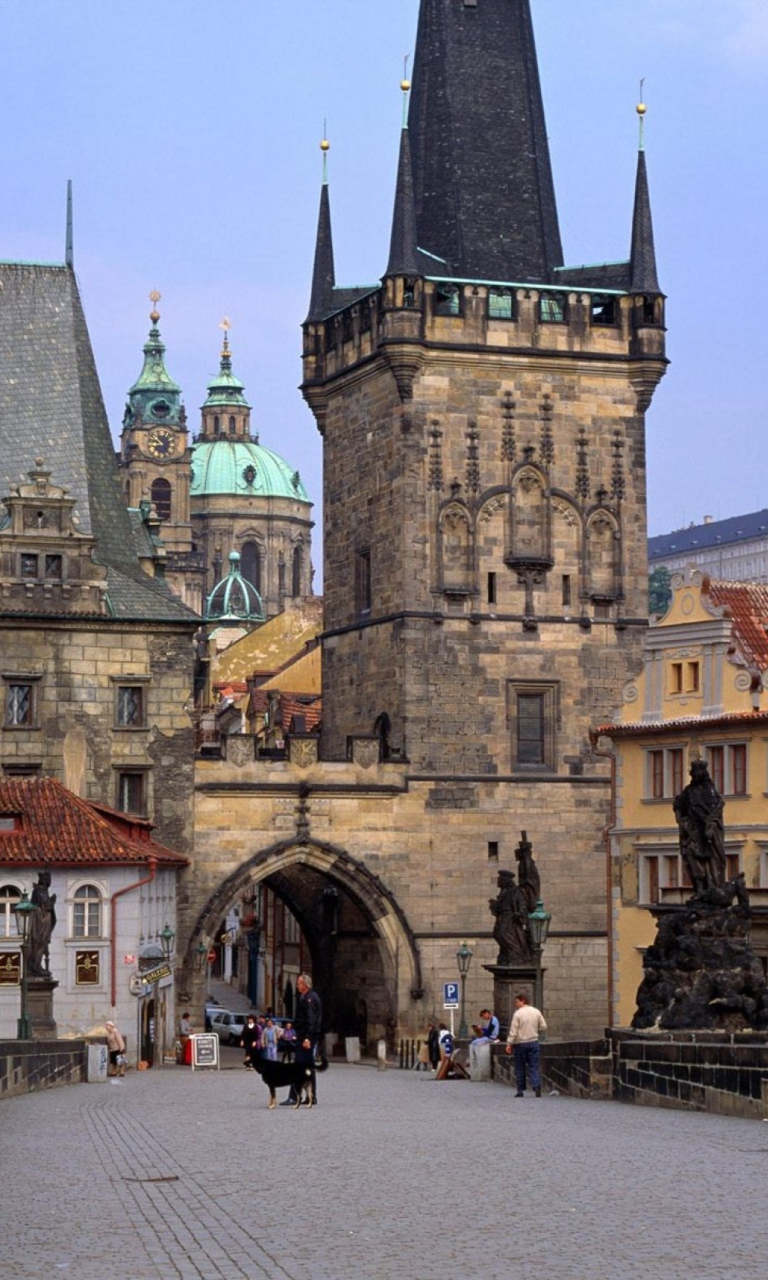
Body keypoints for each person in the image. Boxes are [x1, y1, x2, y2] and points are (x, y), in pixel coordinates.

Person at [673, 759, 727, 895]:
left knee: (712, 859)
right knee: (691, 856)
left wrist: (710, 825)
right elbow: (678, 805)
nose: (695, 777)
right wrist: (682, 822)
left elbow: (717, 808)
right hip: (693, 830)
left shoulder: (711, 790)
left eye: (698, 774)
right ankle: (699, 889)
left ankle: (712, 887)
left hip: (708, 830)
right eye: (693, 774)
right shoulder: (688, 791)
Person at [281, 972, 322, 1106]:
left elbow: (311, 1020)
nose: (297, 986)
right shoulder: (307, 997)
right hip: (306, 1037)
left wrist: (307, 1038)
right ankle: (311, 1096)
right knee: (308, 1067)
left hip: (305, 1039)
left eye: (298, 984)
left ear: (304, 985)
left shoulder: (309, 999)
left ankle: (294, 1096)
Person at [505, 993, 546, 1097]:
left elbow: (513, 1031)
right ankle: (536, 1085)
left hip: (520, 1043)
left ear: (522, 1001)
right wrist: (535, 1030)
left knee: (520, 1067)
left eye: (517, 1002)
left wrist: (509, 1043)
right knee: (534, 1065)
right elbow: (543, 1026)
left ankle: (520, 1090)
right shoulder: (536, 1011)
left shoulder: (518, 1014)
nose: (516, 1004)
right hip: (533, 1042)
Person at [27, 869, 57, 978]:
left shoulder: (43, 891)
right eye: (47, 880)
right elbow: (40, 906)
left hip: (45, 921)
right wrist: (51, 902)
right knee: (38, 943)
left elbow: (46, 906)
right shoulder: (38, 891)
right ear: (43, 880)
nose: (49, 882)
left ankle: (38, 966)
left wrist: (51, 901)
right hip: (40, 921)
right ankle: (36, 966)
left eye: (49, 880)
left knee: (42, 944)